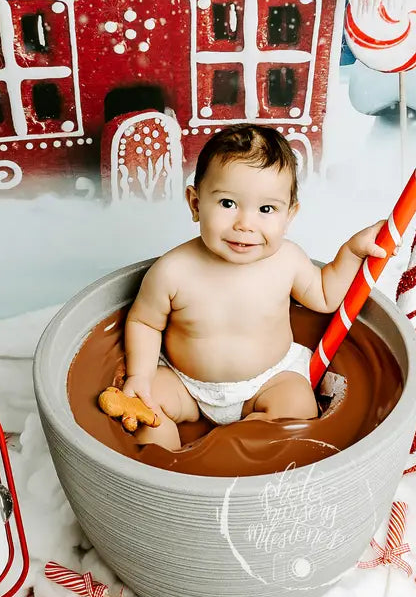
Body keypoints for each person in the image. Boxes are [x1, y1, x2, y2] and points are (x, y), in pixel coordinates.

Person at [120, 123, 385, 451]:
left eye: (266, 209)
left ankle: (233, 451)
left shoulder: (287, 261)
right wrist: (141, 376)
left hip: (267, 382)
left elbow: (326, 295)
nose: (245, 224)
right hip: (187, 386)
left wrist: (351, 252)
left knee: (298, 405)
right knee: (146, 408)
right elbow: (144, 322)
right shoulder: (172, 271)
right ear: (195, 203)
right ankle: (168, 467)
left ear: (289, 216)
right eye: (228, 203)